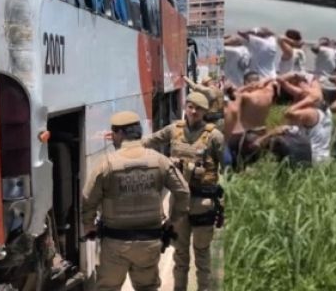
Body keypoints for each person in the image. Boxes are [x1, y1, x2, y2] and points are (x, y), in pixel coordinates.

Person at [81, 111, 190, 291]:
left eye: (113, 133)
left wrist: (89, 224)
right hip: (150, 243)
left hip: (115, 244)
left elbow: (88, 198)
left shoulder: (106, 164)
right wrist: (173, 221)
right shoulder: (160, 160)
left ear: (120, 134)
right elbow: (183, 192)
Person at [143, 93, 224, 291]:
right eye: (190, 106)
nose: (194, 111)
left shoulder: (214, 136)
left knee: (202, 255)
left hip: (203, 203)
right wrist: (126, 141)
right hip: (179, 204)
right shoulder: (173, 130)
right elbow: (150, 141)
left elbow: (229, 164)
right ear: (185, 107)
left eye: (198, 108)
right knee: (180, 255)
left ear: (205, 112)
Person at [225, 73, 278, 168]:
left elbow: (235, 96)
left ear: (246, 82)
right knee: (255, 165)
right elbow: (275, 79)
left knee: (239, 166)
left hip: (245, 135)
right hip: (261, 132)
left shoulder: (245, 96)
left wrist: (246, 87)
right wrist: (263, 82)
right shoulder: (268, 94)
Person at [279, 73, 332, 163]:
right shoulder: (324, 108)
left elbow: (288, 113)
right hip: (324, 156)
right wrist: (294, 74)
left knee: (280, 140)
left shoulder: (310, 112)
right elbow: (280, 80)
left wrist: (306, 100)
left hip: (312, 157)